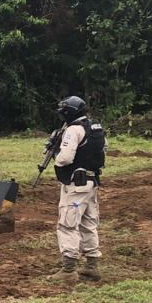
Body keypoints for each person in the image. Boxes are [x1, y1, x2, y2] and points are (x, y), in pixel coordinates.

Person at [47, 96, 106, 283]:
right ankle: (91, 266)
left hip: (76, 184)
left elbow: (65, 158)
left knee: (67, 223)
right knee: (88, 223)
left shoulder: (73, 130)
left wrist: (56, 154)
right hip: (91, 182)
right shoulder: (94, 127)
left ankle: (69, 269)